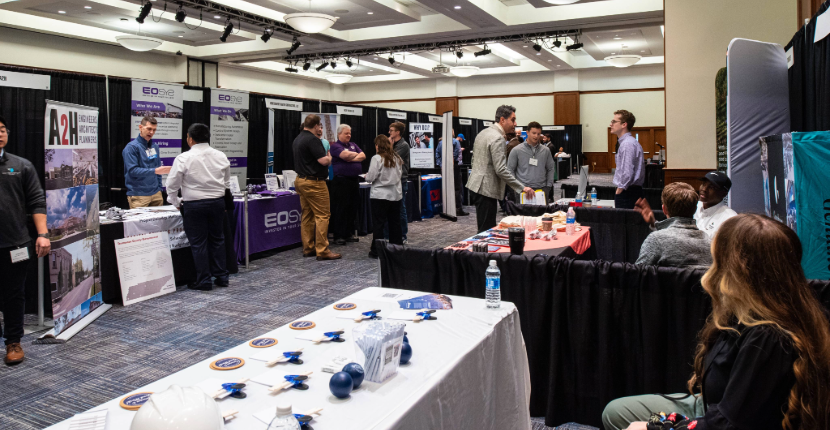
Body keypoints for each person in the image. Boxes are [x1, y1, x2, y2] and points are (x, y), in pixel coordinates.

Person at [603, 213, 830, 430]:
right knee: (615, 412)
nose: (712, 269)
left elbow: (728, 425)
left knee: (625, 420)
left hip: (718, 420)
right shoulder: (753, 310)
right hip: (710, 407)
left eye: (718, 260)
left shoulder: (768, 339)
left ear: (739, 270)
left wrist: (657, 427)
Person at [0, 115, 50, 365]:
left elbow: (37, 201)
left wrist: (42, 234)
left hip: (15, 243)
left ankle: (13, 342)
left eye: (2, 129)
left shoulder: (22, 166)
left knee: (14, 295)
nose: (0, 134)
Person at [166, 123, 231, 290]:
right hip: (217, 202)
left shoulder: (183, 158)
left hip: (194, 205)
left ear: (190, 139)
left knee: (198, 243)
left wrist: (175, 202)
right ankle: (222, 276)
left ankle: (204, 280)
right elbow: (226, 183)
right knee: (217, 239)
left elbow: (172, 185)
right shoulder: (221, 155)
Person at [467, 105, 534, 232]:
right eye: (513, 120)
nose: (515, 123)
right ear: (502, 120)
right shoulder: (498, 138)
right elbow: (501, 169)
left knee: (484, 228)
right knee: (486, 231)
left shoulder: (483, 133)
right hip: (486, 189)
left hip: (476, 185)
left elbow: (474, 160)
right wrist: (522, 187)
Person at [292, 115, 341, 261]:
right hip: (315, 183)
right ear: (315, 126)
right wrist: (330, 157)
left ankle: (308, 248)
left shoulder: (298, 138)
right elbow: (324, 161)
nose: (320, 128)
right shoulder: (313, 140)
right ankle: (322, 250)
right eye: (319, 126)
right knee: (322, 215)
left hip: (301, 180)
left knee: (307, 215)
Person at [633, 182, 712, 267]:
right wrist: (653, 223)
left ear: (664, 209)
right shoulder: (709, 242)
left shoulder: (656, 240)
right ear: (695, 209)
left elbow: (638, 273)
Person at [366, 135, 404, 259]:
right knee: (395, 223)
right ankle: (397, 248)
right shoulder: (397, 158)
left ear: (378, 146)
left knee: (379, 224)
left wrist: (366, 176)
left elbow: (371, 177)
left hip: (379, 195)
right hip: (395, 195)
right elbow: (400, 175)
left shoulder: (376, 158)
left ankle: (377, 251)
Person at [123, 116, 172, 208]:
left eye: (154, 130)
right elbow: (133, 171)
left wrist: (159, 188)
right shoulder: (131, 148)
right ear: (140, 127)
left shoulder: (154, 146)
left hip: (156, 194)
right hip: (139, 195)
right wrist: (155, 171)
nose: (151, 132)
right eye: (149, 129)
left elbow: (157, 167)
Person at [329, 124, 365, 245]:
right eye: (346, 133)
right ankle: (339, 235)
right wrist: (353, 155)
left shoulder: (353, 144)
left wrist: (350, 157)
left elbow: (363, 155)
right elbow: (344, 155)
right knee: (341, 209)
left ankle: (348, 233)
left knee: (352, 207)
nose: (349, 135)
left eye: (350, 133)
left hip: (354, 181)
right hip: (341, 181)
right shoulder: (335, 146)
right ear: (339, 134)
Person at [507, 121, 556, 203]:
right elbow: (510, 170)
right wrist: (517, 187)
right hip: (523, 190)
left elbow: (550, 168)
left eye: (538, 134)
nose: (536, 136)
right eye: (534, 133)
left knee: (542, 212)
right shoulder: (516, 150)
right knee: (523, 212)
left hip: (542, 189)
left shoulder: (546, 150)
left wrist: (548, 186)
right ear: (527, 132)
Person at [611, 110, 644, 209]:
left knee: (624, 219)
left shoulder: (627, 144)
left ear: (624, 124)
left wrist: (619, 190)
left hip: (627, 193)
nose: (611, 124)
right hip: (630, 191)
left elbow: (627, 172)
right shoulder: (628, 142)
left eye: (614, 121)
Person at [436, 130, 468, 216]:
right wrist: (450, 163)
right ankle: (458, 209)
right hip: (454, 166)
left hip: (444, 167)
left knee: (446, 187)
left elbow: (437, 154)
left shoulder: (440, 142)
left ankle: (447, 208)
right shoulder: (455, 142)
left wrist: (441, 165)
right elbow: (456, 154)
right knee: (457, 188)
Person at [694, 171, 736, 238]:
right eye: (703, 184)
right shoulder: (693, 205)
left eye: (711, 187)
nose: (704, 189)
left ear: (724, 193)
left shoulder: (729, 218)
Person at [388, 122, 410, 242]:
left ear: (398, 132)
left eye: (391, 130)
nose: (389, 132)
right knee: (389, 209)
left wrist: (389, 147)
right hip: (390, 180)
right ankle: (389, 235)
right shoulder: (390, 142)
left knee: (401, 208)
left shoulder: (404, 145)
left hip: (400, 180)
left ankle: (402, 235)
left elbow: (392, 159)